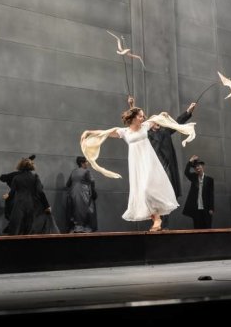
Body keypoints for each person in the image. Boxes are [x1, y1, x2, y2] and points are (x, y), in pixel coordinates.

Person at [80, 107, 181, 231]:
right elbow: (105, 133)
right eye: (140, 116)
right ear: (133, 118)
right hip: (136, 165)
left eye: (143, 116)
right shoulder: (124, 132)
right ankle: (155, 218)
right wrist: (89, 132)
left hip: (149, 162)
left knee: (147, 189)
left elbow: (156, 119)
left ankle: (157, 218)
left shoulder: (145, 126)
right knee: (141, 192)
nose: (143, 118)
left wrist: (162, 114)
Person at [128, 96, 197, 229]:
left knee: (165, 195)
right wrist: (132, 105)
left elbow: (177, 122)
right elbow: (136, 123)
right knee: (151, 194)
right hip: (152, 169)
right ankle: (156, 222)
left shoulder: (165, 131)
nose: (158, 122)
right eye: (156, 120)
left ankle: (163, 225)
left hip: (167, 169)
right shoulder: (146, 133)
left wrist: (189, 111)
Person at [2, 156, 59, 235]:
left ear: (20, 166)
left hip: (19, 205)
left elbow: (12, 193)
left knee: (16, 229)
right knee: (29, 229)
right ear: (31, 166)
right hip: (31, 205)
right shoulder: (35, 177)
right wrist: (47, 206)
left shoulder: (16, 178)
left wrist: (7, 196)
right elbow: (40, 192)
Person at [65, 156, 98, 233]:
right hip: (83, 194)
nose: (87, 163)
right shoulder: (86, 171)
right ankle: (83, 227)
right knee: (87, 210)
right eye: (86, 162)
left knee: (75, 210)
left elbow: (68, 184)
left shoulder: (73, 171)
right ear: (82, 163)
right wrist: (93, 192)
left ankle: (76, 227)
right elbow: (92, 182)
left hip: (73, 194)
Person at [182, 155, 214, 229]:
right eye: (195, 167)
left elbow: (211, 194)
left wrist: (211, 208)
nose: (197, 168)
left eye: (198, 166)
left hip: (206, 208)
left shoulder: (209, 180)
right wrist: (190, 161)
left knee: (207, 228)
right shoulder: (194, 177)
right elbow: (186, 172)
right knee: (197, 229)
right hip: (196, 209)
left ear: (202, 166)